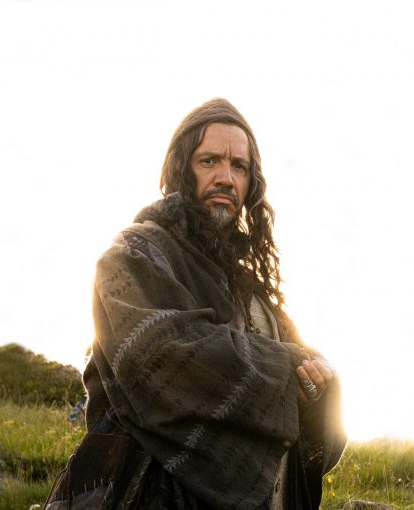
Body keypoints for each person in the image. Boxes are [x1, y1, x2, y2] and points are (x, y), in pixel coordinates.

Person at [44, 98, 347, 510]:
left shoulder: (254, 293)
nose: (226, 178)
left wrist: (316, 390)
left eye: (239, 166)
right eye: (209, 161)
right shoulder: (133, 256)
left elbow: (307, 403)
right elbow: (160, 357)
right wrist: (287, 369)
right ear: (180, 169)